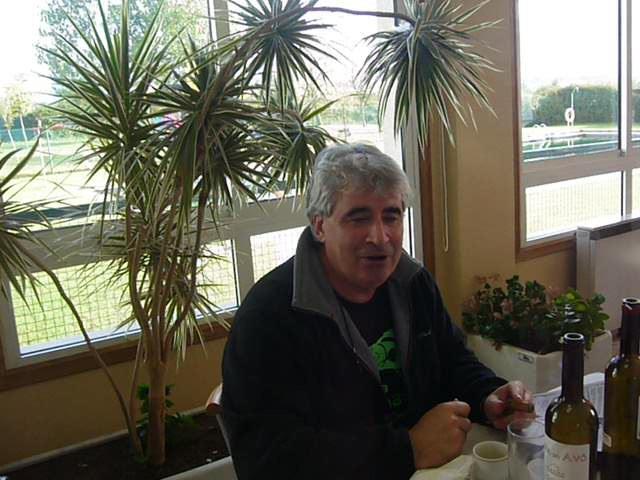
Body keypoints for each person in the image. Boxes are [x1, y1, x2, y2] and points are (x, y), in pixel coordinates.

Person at [222, 143, 533, 479]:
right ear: (319, 226)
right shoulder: (269, 316)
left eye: (391, 216)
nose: (380, 237)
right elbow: (267, 459)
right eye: (359, 218)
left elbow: (452, 359)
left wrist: (488, 395)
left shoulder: (413, 283)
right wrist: (408, 449)